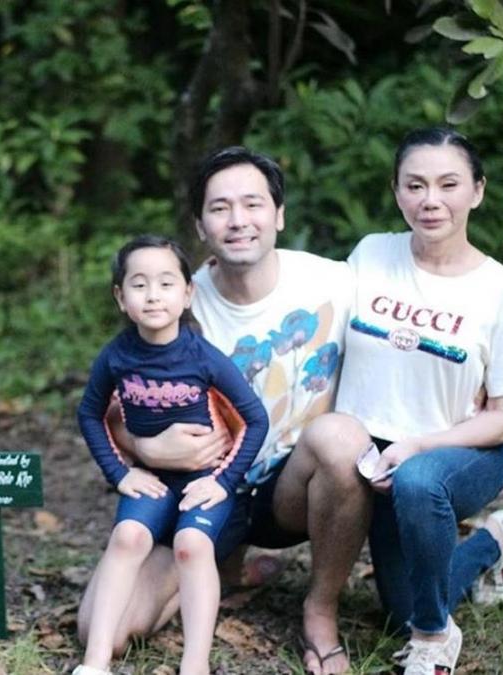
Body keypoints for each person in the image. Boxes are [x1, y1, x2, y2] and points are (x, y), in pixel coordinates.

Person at [77, 147, 372, 675]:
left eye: (253, 204)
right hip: (199, 491)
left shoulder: (335, 282)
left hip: (290, 489)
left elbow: (406, 331)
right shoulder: (171, 297)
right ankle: (226, 568)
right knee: (106, 630)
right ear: (200, 225)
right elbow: (116, 405)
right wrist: (144, 447)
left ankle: (320, 609)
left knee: (342, 439)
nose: (238, 220)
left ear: (279, 215)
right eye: (219, 208)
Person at [333, 127, 503, 674]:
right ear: (397, 191)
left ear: (477, 190)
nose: (431, 200)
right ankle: (491, 545)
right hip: (372, 456)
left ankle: (433, 638)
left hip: (457, 452)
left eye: (448, 184)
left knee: (419, 482)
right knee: (399, 608)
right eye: (415, 185)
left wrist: (419, 445)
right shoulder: (371, 254)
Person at [74, 235, 270, 675]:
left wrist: (222, 482)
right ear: (120, 297)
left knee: (191, 545)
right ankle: (95, 662)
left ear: (187, 294)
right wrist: (120, 473)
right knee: (127, 538)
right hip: (151, 479)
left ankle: (194, 664)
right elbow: (89, 413)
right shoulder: (116, 356)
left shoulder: (204, 357)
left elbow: (255, 419)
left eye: (166, 283)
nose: (152, 295)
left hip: (204, 481)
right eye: (139, 284)